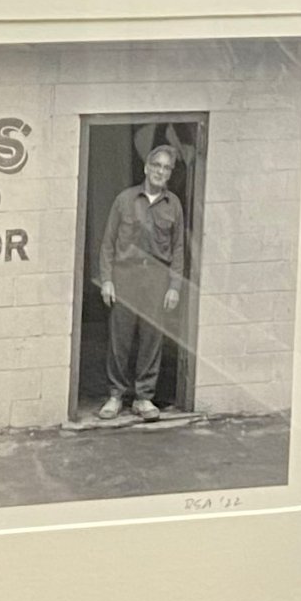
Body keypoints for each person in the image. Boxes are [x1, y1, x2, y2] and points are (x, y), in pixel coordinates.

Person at [95, 139, 189, 420]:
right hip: (125, 277)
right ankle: (115, 395)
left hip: (156, 280)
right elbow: (108, 242)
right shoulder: (125, 200)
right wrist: (107, 279)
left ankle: (143, 398)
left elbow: (179, 249)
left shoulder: (174, 206)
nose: (161, 171)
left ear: (170, 173)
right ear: (146, 168)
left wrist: (174, 286)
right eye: (157, 165)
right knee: (120, 339)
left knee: (151, 338)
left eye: (167, 168)